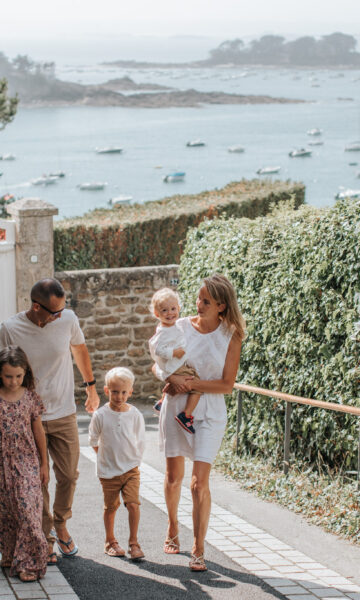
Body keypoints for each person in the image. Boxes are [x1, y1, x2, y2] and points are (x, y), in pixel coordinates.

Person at [0, 278, 100, 564]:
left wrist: (90, 387)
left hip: (64, 411)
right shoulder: (9, 329)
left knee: (68, 474)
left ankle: (61, 521)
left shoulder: (67, 319)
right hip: (29, 417)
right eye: (54, 312)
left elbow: (79, 350)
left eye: (63, 309)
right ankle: (44, 538)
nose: (61, 315)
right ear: (36, 307)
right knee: (38, 479)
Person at [153, 273, 246, 571]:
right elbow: (157, 361)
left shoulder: (232, 334)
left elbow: (227, 385)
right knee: (173, 477)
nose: (198, 304)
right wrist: (170, 377)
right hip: (175, 405)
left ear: (221, 305)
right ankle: (172, 526)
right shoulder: (178, 326)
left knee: (198, 484)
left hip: (210, 412)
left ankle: (198, 547)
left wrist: (192, 384)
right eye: (198, 298)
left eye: (206, 301)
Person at [0, 346, 48, 582]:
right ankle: (9, 555)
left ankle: (30, 562)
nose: (13, 381)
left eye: (18, 376)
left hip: (26, 460)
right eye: (8, 376)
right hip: (1, 462)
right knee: (6, 512)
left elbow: (38, 431)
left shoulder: (30, 397)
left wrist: (44, 464)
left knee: (28, 510)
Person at [89, 367, 146, 560]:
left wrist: (134, 460)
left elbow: (140, 439)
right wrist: (104, 456)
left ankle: (134, 543)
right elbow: (93, 439)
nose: (119, 396)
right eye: (114, 392)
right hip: (108, 472)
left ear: (130, 392)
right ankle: (110, 541)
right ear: (106, 391)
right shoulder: (100, 415)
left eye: (123, 392)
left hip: (130, 469)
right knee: (111, 507)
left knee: (133, 505)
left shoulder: (135, 414)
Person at [149, 288, 201, 434]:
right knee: (196, 384)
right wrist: (174, 352)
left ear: (178, 308)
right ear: (157, 314)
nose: (170, 313)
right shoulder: (164, 331)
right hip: (175, 365)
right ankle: (186, 415)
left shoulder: (172, 326)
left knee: (182, 381)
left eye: (173, 308)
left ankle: (161, 401)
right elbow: (158, 350)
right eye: (164, 310)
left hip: (175, 364)